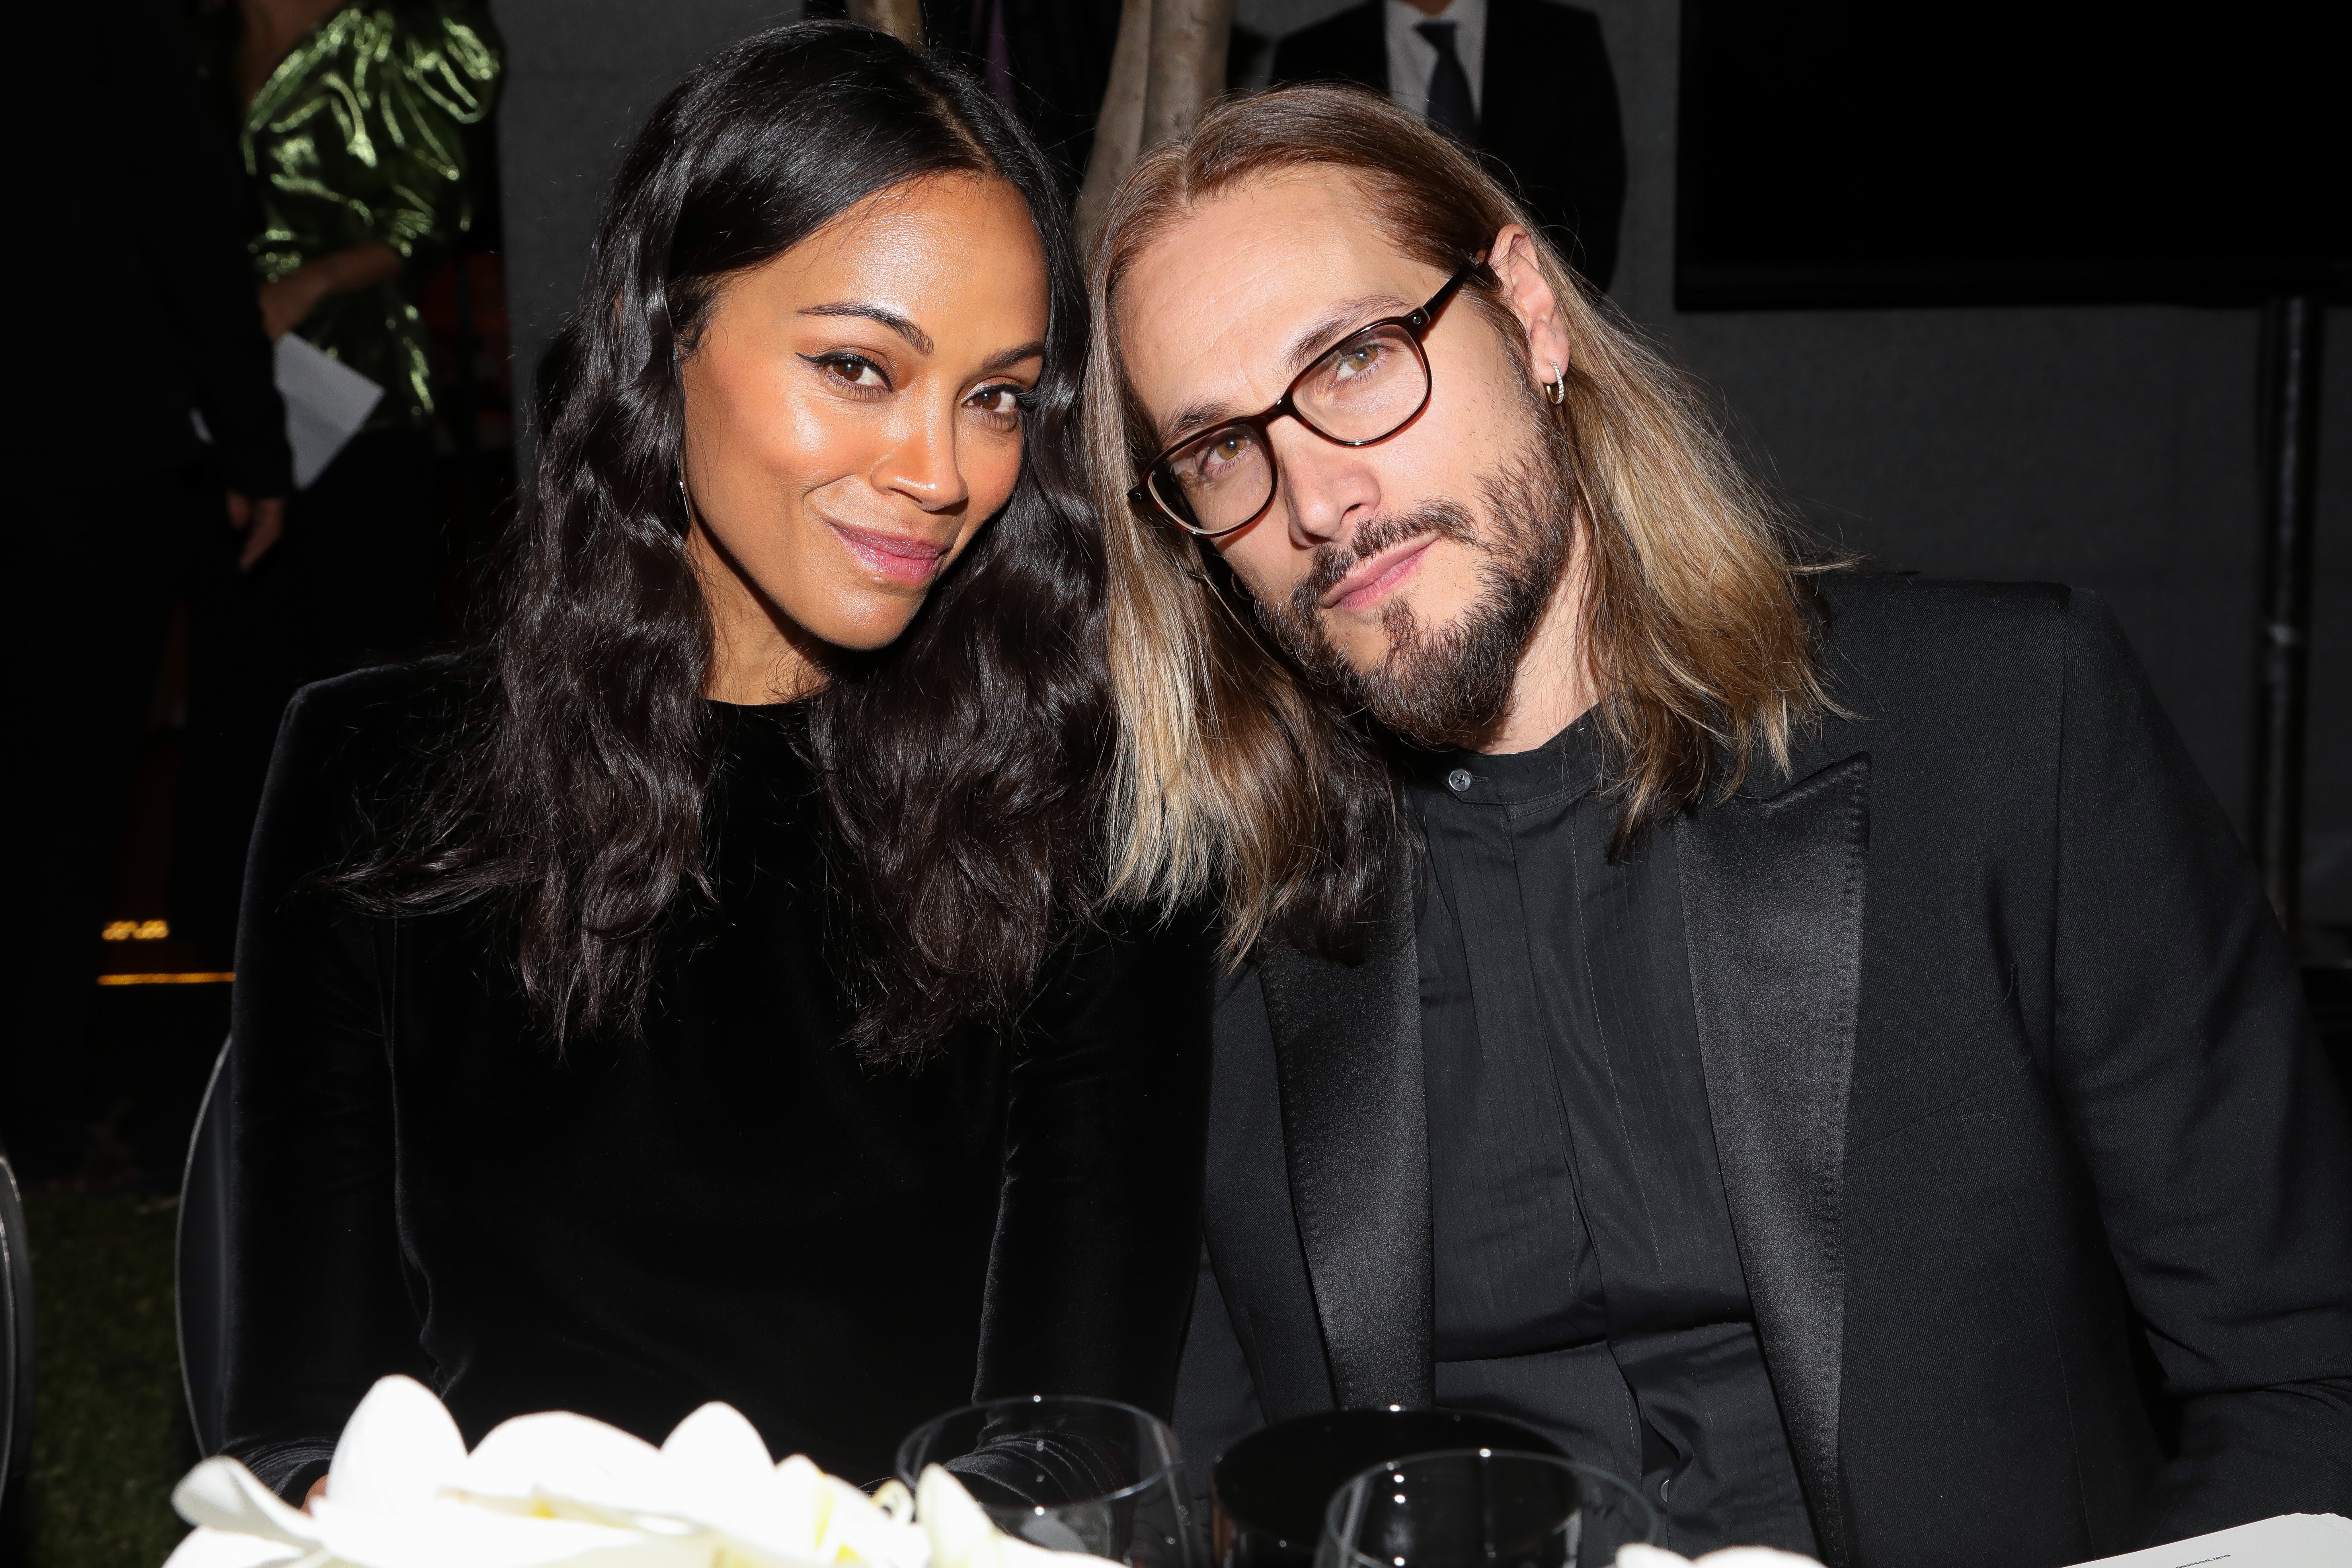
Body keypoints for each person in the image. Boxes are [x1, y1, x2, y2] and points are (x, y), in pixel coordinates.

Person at [1080, 87, 2352, 1565]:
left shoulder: (2007, 728)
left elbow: (2306, 1376)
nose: (1315, 497)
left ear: (1528, 317)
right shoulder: (1200, 938)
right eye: (1220, 451)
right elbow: (1205, 1497)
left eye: (1358, 361)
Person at [221, 23, 1209, 1504]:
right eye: (860, 366)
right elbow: (302, 1423)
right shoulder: (375, 773)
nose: (942, 472)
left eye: (998, 396)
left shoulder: (1082, 803)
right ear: (663, 336)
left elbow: (1070, 1443)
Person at [6, 0, 292, 1182]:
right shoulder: (106, 20)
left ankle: (33, 1107)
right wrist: (254, 444)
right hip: (84, 452)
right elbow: (186, 214)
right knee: (60, 802)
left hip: (86, 446)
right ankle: (30, 1115)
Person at [174, 0, 502, 967]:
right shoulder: (195, 28)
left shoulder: (406, 29)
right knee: (234, 672)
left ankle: (369, 940)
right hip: (214, 390)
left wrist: (307, 284)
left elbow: (433, 213)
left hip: (357, 394)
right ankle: (224, 955)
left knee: (360, 671)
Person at [1271, 0, 1624, 289]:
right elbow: (1300, 206)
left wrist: (1556, 311)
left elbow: (1594, 199)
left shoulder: (1564, 40)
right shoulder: (1310, 56)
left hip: (1539, 305)